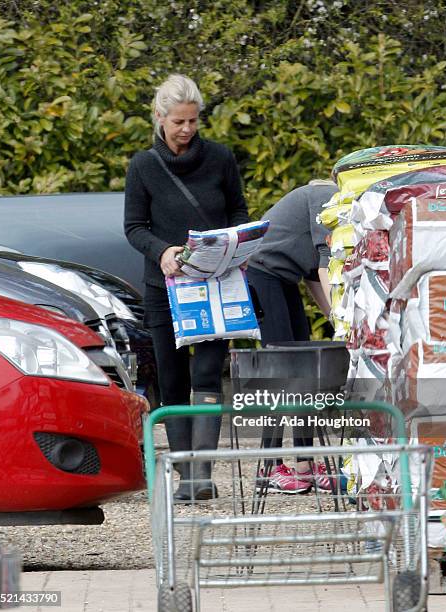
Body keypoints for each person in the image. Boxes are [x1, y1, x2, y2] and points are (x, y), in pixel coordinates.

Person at [124, 74, 249, 501]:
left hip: (214, 283)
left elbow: (237, 210)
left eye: (194, 121)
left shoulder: (220, 158)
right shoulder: (143, 166)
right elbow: (134, 227)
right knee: (173, 378)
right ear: (160, 118)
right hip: (165, 286)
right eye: (178, 122)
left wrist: (235, 246)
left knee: (208, 372)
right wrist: (161, 251)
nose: (187, 130)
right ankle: (182, 475)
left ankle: (203, 475)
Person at [246, 180, 338, 494]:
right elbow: (326, 264)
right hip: (261, 274)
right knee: (280, 370)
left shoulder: (331, 201)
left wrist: (333, 317)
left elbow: (313, 274)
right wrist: (343, 316)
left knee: (302, 368)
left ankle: (305, 465)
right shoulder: (328, 198)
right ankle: (269, 467)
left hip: (284, 278)